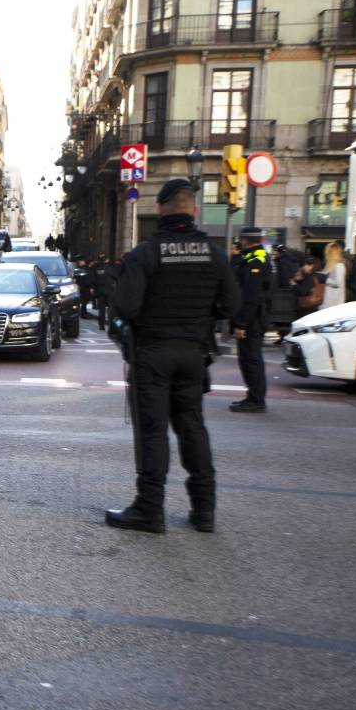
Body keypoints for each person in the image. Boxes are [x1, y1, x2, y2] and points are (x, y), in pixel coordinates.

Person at [105, 179, 239, 534]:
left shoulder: (146, 253)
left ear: (161, 209)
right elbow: (232, 304)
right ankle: (204, 510)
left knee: (153, 432)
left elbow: (124, 306)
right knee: (193, 427)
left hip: (152, 353)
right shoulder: (213, 253)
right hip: (193, 354)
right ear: (194, 210)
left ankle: (150, 510)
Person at [229, 227, 273, 413]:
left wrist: (241, 324)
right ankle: (253, 396)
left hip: (252, 319)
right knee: (249, 358)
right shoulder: (256, 257)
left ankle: (256, 400)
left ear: (245, 241)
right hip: (255, 316)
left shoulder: (256, 261)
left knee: (250, 359)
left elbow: (251, 296)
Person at [93, 253, 117, 330]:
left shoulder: (97, 270)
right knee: (110, 308)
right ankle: (111, 325)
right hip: (109, 290)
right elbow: (115, 278)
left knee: (101, 309)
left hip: (100, 290)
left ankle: (101, 325)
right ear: (106, 260)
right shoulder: (110, 269)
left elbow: (95, 281)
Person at [320, 242, 347, 309]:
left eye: (327, 251)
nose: (325, 253)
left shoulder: (339, 266)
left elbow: (337, 283)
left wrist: (324, 279)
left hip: (333, 304)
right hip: (328, 302)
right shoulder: (329, 265)